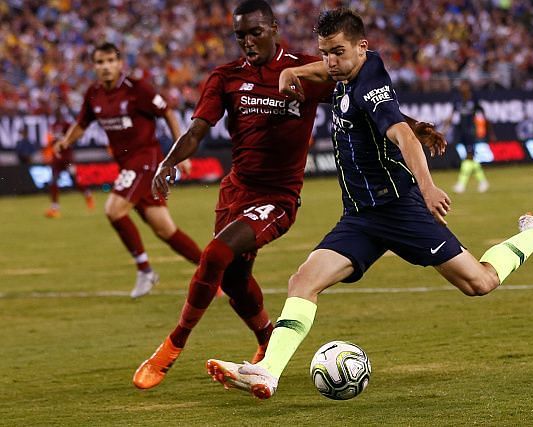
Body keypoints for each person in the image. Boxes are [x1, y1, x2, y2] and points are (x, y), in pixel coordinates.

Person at [205, 8, 533, 400]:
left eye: (338, 53)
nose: (330, 62)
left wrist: (428, 187)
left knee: (479, 282)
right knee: (303, 281)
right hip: (361, 218)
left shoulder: (369, 87)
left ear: (362, 47)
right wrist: (292, 72)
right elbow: (319, 72)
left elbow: (403, 137)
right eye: (325, 52)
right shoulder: (341, 73)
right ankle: (267, 372)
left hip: (400, 210)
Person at [132, 0, 445, 390]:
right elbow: (197, 130)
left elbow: (369, 102)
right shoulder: (225, 76)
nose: (247, 41)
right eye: (240, 35)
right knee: (233, 278)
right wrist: (168, 162)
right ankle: (267, 339)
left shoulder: (309, 71)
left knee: (214, 254)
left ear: (274, 28)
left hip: (278, 197)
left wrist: (417, 128)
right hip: (234, 192)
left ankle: (171, 347)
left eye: (255, 32)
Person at [54, 42, 202, 298]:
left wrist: (180, 152)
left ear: (120, 63)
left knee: (113, 209)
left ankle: (145, 270)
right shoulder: (94, 93)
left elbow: (167, 112)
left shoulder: (137, 89)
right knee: (166, 230)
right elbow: (82, 123)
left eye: (111, 61)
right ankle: (215, 274)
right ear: (94, 67)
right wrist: (66, 141)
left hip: (146, 161)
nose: (106, 67)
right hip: (129, 166)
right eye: (100, 62)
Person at [443, 80, 494, 194]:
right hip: (461, 131)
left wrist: (490, 131)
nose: (462, 87)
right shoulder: (457, 99)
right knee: (470, 158)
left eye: (464, 85)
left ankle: (461, 184)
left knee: (468, 157)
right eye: (461, 86)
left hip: (471, 131)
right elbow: (451, 116)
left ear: (468, 87)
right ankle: (483, 182)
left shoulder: (474, 99)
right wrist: (444, 130)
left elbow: (484, 115)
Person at [44, 107, 95, 218]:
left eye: (58, 113)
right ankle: (55, 208)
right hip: (57, 159)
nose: (57, 115)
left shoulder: (67, 125)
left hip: (67, 158)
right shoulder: (53, 126)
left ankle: (88, 194)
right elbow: (51, 141)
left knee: (76, 180)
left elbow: (76, 135)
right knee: (53, 182)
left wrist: (67, 141)